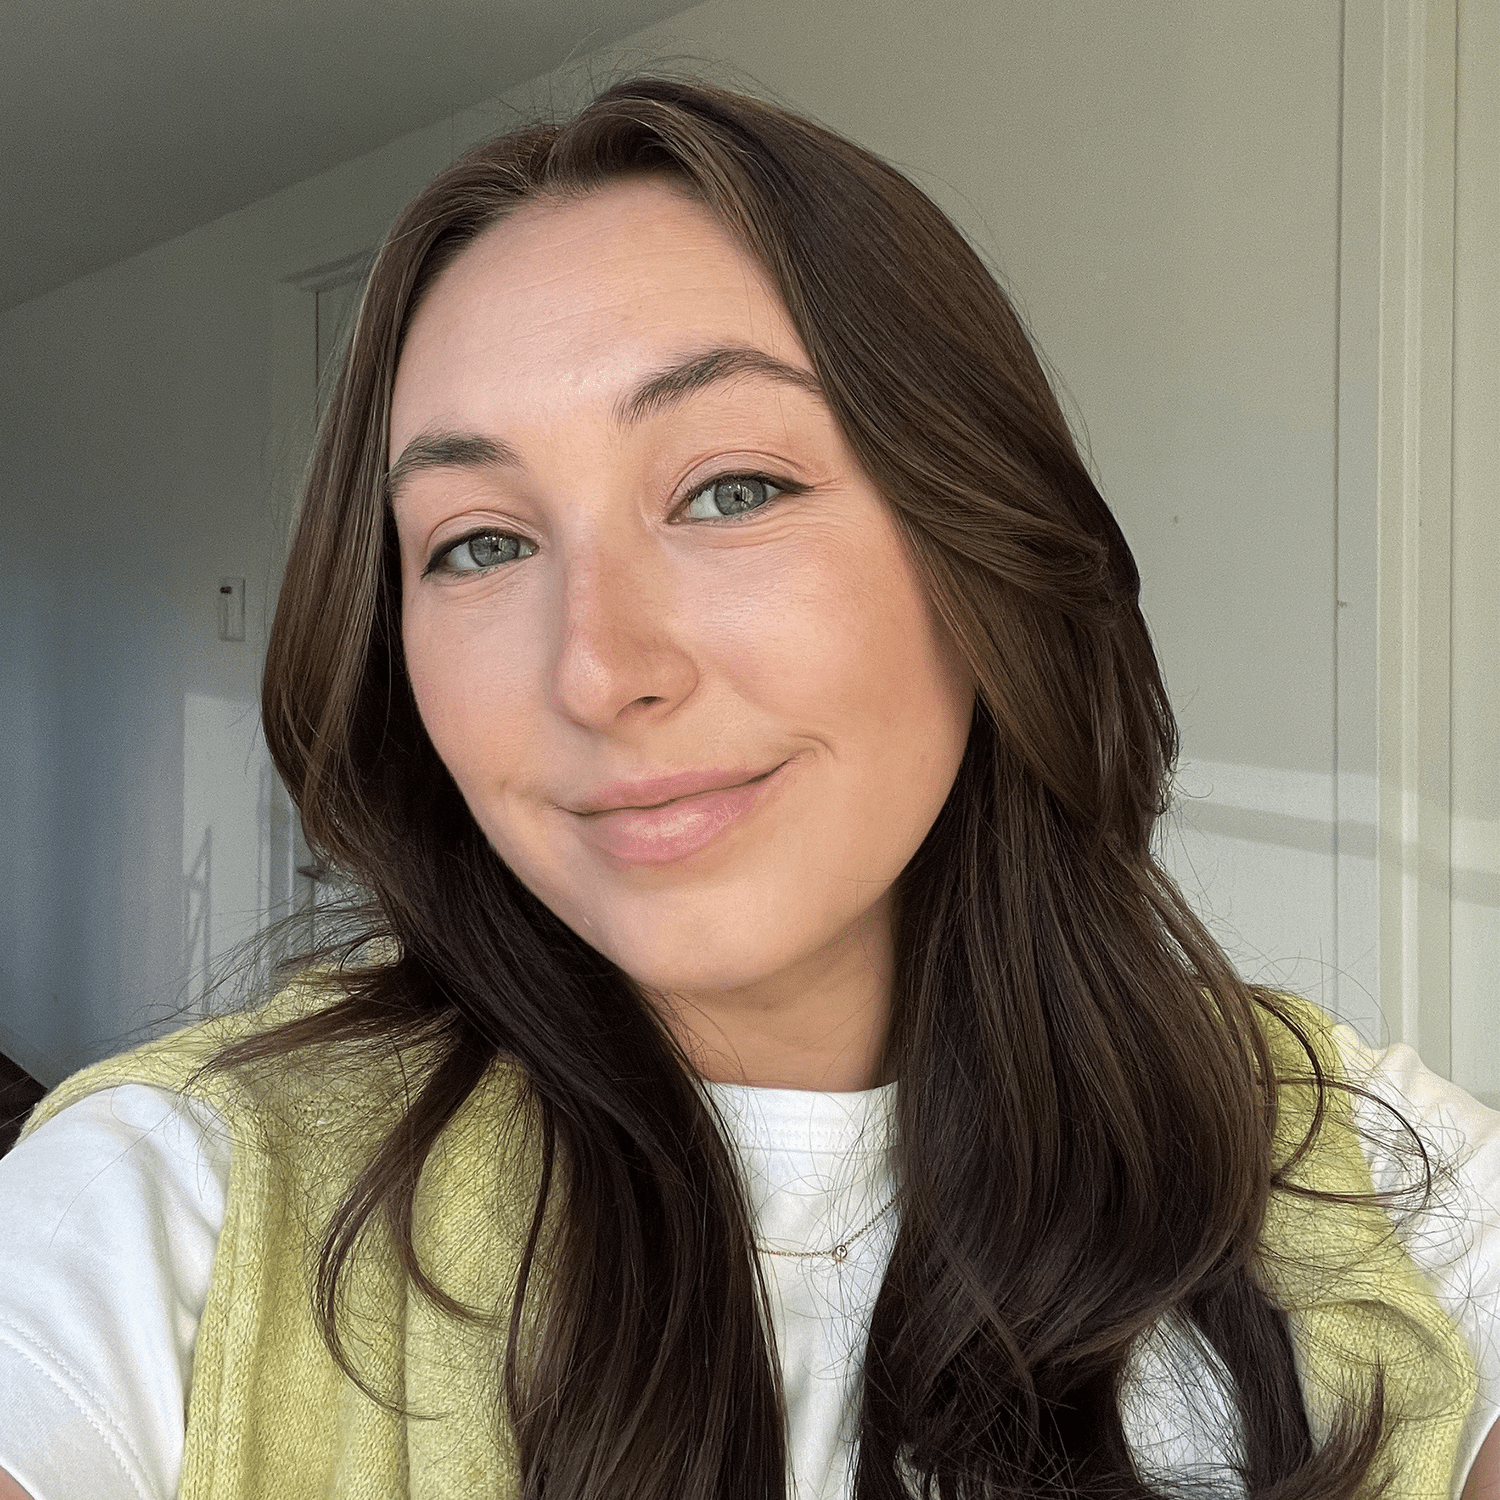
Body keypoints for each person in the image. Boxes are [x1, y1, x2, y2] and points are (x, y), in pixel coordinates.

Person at [1, 75, 1498, 1500]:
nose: (599, 670)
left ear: (973, 534)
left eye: (733, 490)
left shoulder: (1357, 1164)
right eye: (478, 542)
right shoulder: (179, 1201)